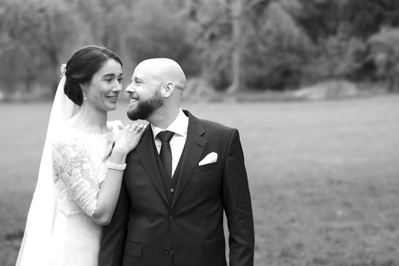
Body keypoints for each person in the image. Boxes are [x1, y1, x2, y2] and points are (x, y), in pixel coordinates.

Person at [99, 58, 255, 266]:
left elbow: (241, 222)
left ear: (167, 89)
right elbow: (115, 229)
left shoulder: (222, 140)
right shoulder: (125, 146)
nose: (128, 89)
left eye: (138, 82)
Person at [16, 45, 145, 266]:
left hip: (117, 248)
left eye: (119, 79)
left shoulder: (118, 131)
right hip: (78, 252)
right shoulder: (67, 141)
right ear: (83, 84)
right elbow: (100, 214)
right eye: (108, 79)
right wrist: (118, 154)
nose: (118, 88)